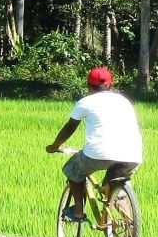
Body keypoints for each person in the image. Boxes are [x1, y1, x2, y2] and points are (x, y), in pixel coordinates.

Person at [46, 66, 143, 223]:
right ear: (111, 85)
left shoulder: (85, 102)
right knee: (115, 187)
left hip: (98, 154)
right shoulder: (124, 101)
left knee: (72, 170)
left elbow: (70, 127)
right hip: (132, 155)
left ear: (88, 86)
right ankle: (130, 225)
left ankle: (78, 212)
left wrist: (55, 146)